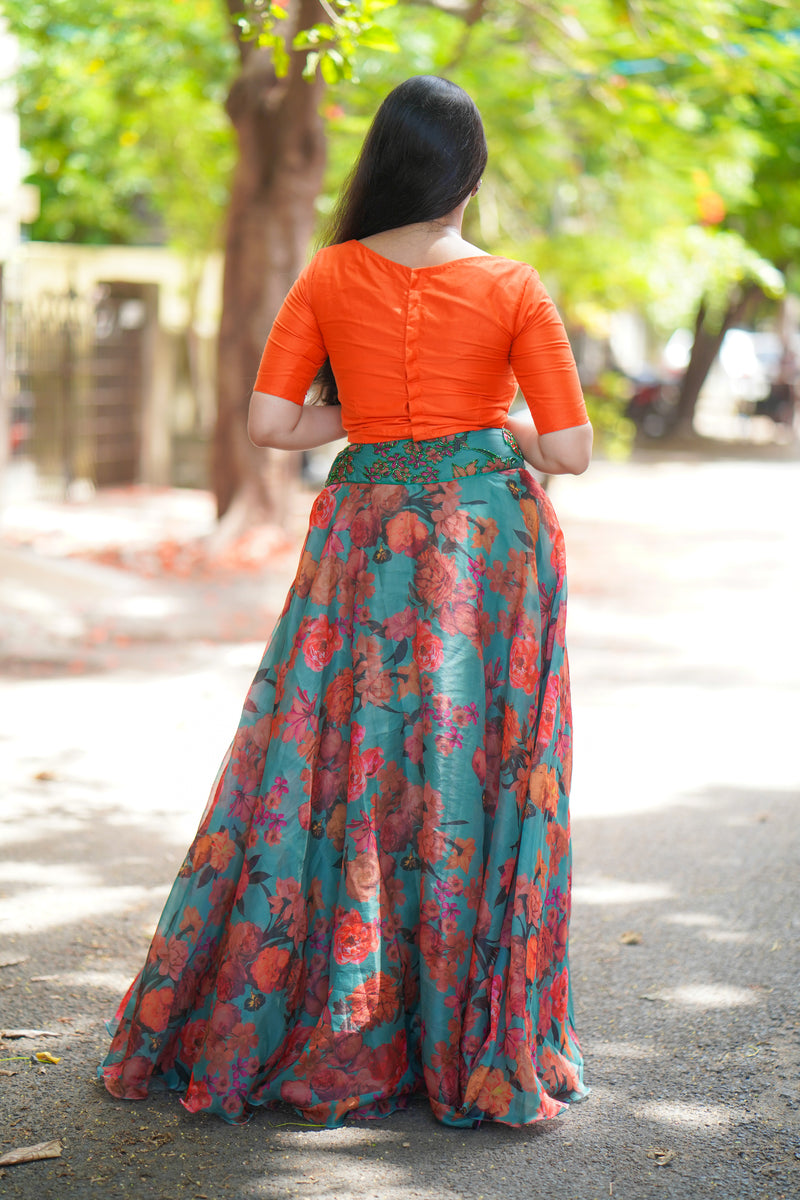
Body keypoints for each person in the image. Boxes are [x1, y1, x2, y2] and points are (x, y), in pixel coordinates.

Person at [99, 75, 592, 1129]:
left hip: (365, 531)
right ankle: (467, 1032)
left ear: (381, 164)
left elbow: (274, 428)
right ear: (466, 173)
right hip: (487, 542)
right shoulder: (511, 286)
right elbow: (570, 452)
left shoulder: (328, 273)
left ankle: (333, 1018)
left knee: (337, 759)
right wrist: (490, 426)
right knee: (474, 763)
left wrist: (366, 418)